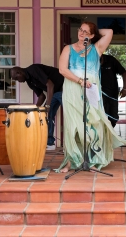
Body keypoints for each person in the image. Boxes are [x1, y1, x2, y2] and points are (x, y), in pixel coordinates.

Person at [56, 21, 126, 173]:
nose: (81, 33)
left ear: (92, 36)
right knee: (74, 126)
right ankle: (71, 161)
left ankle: (92, 160)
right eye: (80, 30)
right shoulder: (68, 49)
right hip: (73, 90)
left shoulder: (97, 48)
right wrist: (80, 81)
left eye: (86, 32)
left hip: (91, 90)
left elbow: (109, 32)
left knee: (94, 125)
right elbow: (62, 69)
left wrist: (93, 32)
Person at [10, 64, 63, 150]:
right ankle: (50, 143)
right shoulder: (29, 81)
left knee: (70, 113)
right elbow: (41, 96)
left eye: (17, 79)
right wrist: (33, 110)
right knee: (47, 115)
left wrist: (48, 105)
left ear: (19, 72)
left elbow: (50, 85)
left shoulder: (33, 70)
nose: (18, 81)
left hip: (64, 87)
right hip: (55, 92)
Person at [100, 54, 126, 127]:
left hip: (112, 94)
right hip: (98, 95)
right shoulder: (91, 61)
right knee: (101, 117)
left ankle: (110, 133)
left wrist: (124, 89)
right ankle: (103, 136)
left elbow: (124, 72)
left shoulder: (110, 60)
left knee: (113, 117)